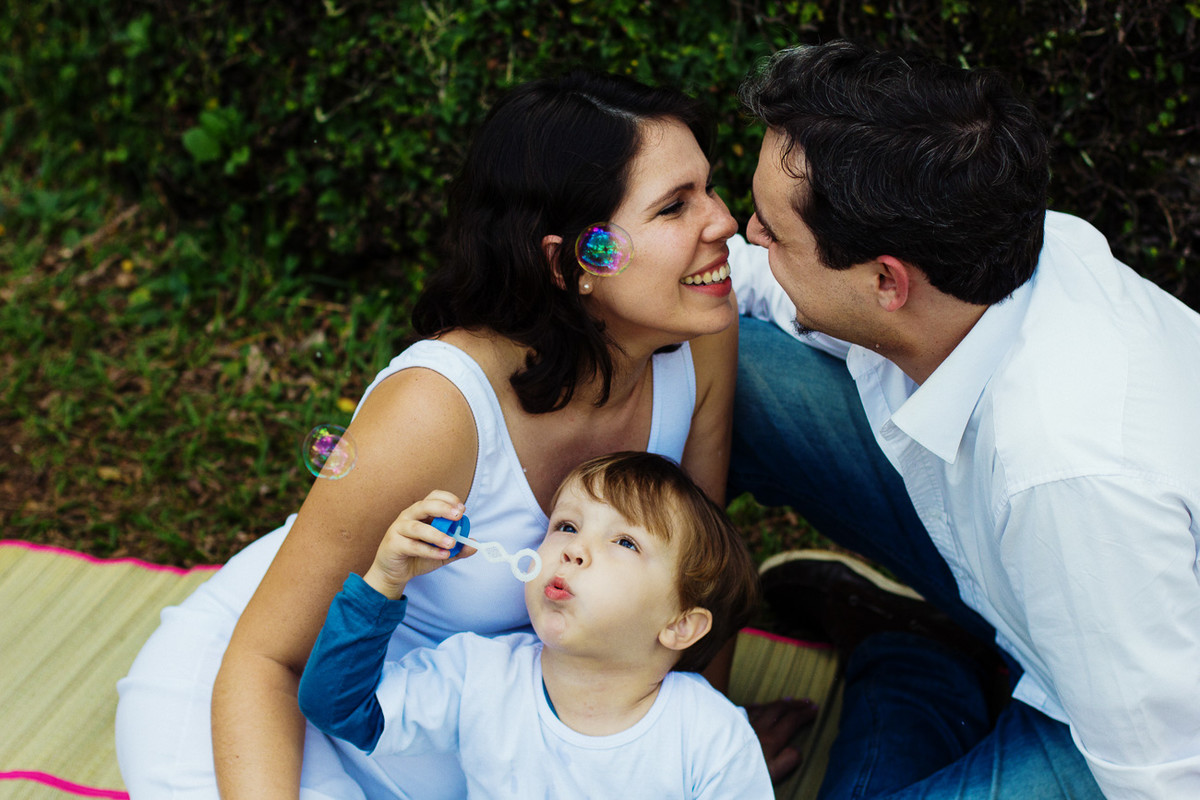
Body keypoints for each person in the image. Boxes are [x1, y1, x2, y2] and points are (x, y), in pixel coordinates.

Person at [115, 70, 745, 799]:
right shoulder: (436, 408)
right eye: (674, 206)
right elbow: (264, 663)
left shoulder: (698, 338)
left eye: (709, 187)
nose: (723, 220)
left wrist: (704, 743)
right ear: (569, 261)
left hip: (478, 741)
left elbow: (700, 574)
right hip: (279, 708)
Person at [727, 40, 1200, 799]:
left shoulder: (1072, 474)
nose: (745, 234)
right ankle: (935, 652)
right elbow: (764, 283)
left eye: (771, 231)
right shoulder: (965, 257)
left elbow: (1167, 776)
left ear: (886, 281)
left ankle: (916, 672)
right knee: (732, 365)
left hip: (1119, 721)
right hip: (1019, 581)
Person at [297, 451, 772, 799]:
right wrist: (384, 580)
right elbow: (337, 709)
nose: (573, 549)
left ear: (681, 626)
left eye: (625, 542)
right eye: (566, 526)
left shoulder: (711, 738)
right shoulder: (480, 675)